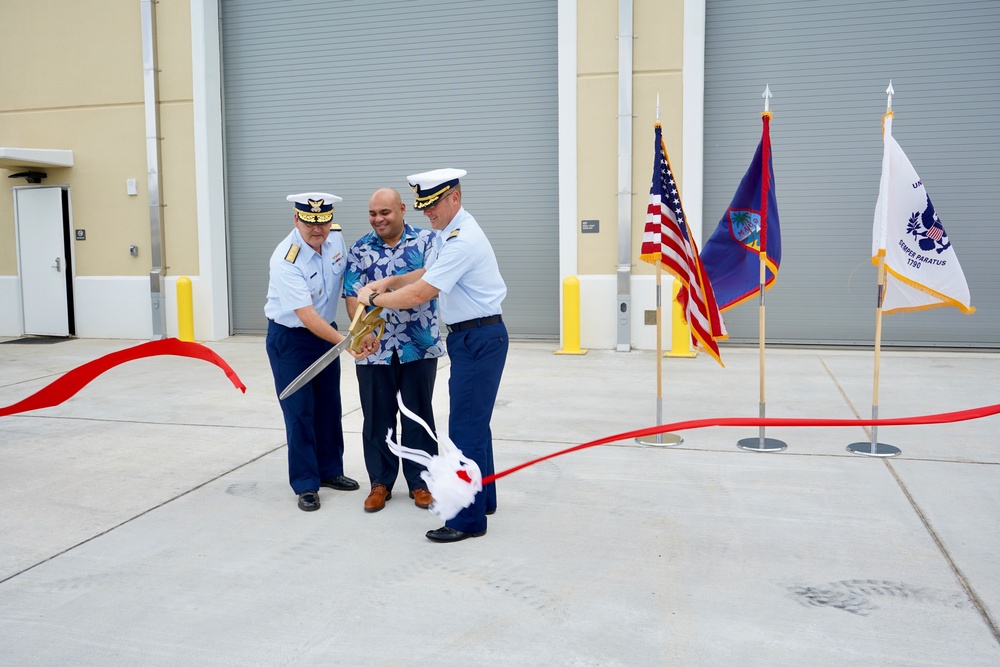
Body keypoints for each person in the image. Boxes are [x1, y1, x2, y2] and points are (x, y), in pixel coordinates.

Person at [357, 169, 508, 543]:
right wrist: (390, 281)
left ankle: (466, 520)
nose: (428, 213)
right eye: (423, 206)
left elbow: (420, 294)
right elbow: (427, 273)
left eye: (433, 204)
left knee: (464, 431)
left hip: (477, 337)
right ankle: (482, 499)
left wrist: (374, 298)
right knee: (476, 426)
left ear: (454, 197)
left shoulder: (461, 240)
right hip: (470, 336)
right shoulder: (450, 232)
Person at [264, 192, 376, 512]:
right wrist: (346, 340)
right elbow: (305, 314)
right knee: (300, 411)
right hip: (292, 339)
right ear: (296, 219)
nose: (318, 230)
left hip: (326, 333)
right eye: (310, 223)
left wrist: (357, 327)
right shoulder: (287, 259)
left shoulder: (336, 240)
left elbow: (348, 288)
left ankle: (330, 471)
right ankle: (306, 483)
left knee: (329, 406)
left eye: (323, 221)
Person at [343, 188, 444, 513]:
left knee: (418, 415)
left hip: (419, 345)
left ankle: (421, 483)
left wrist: (390, 286)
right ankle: (380, 483)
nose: (378, 219)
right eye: (373, 214)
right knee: (377, 418)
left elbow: (429, 284)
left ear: (402, 209)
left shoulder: (428, 243)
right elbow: (351, 295)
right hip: (375, 350)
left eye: (385, 212)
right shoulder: (360, 248)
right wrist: (364, 333)